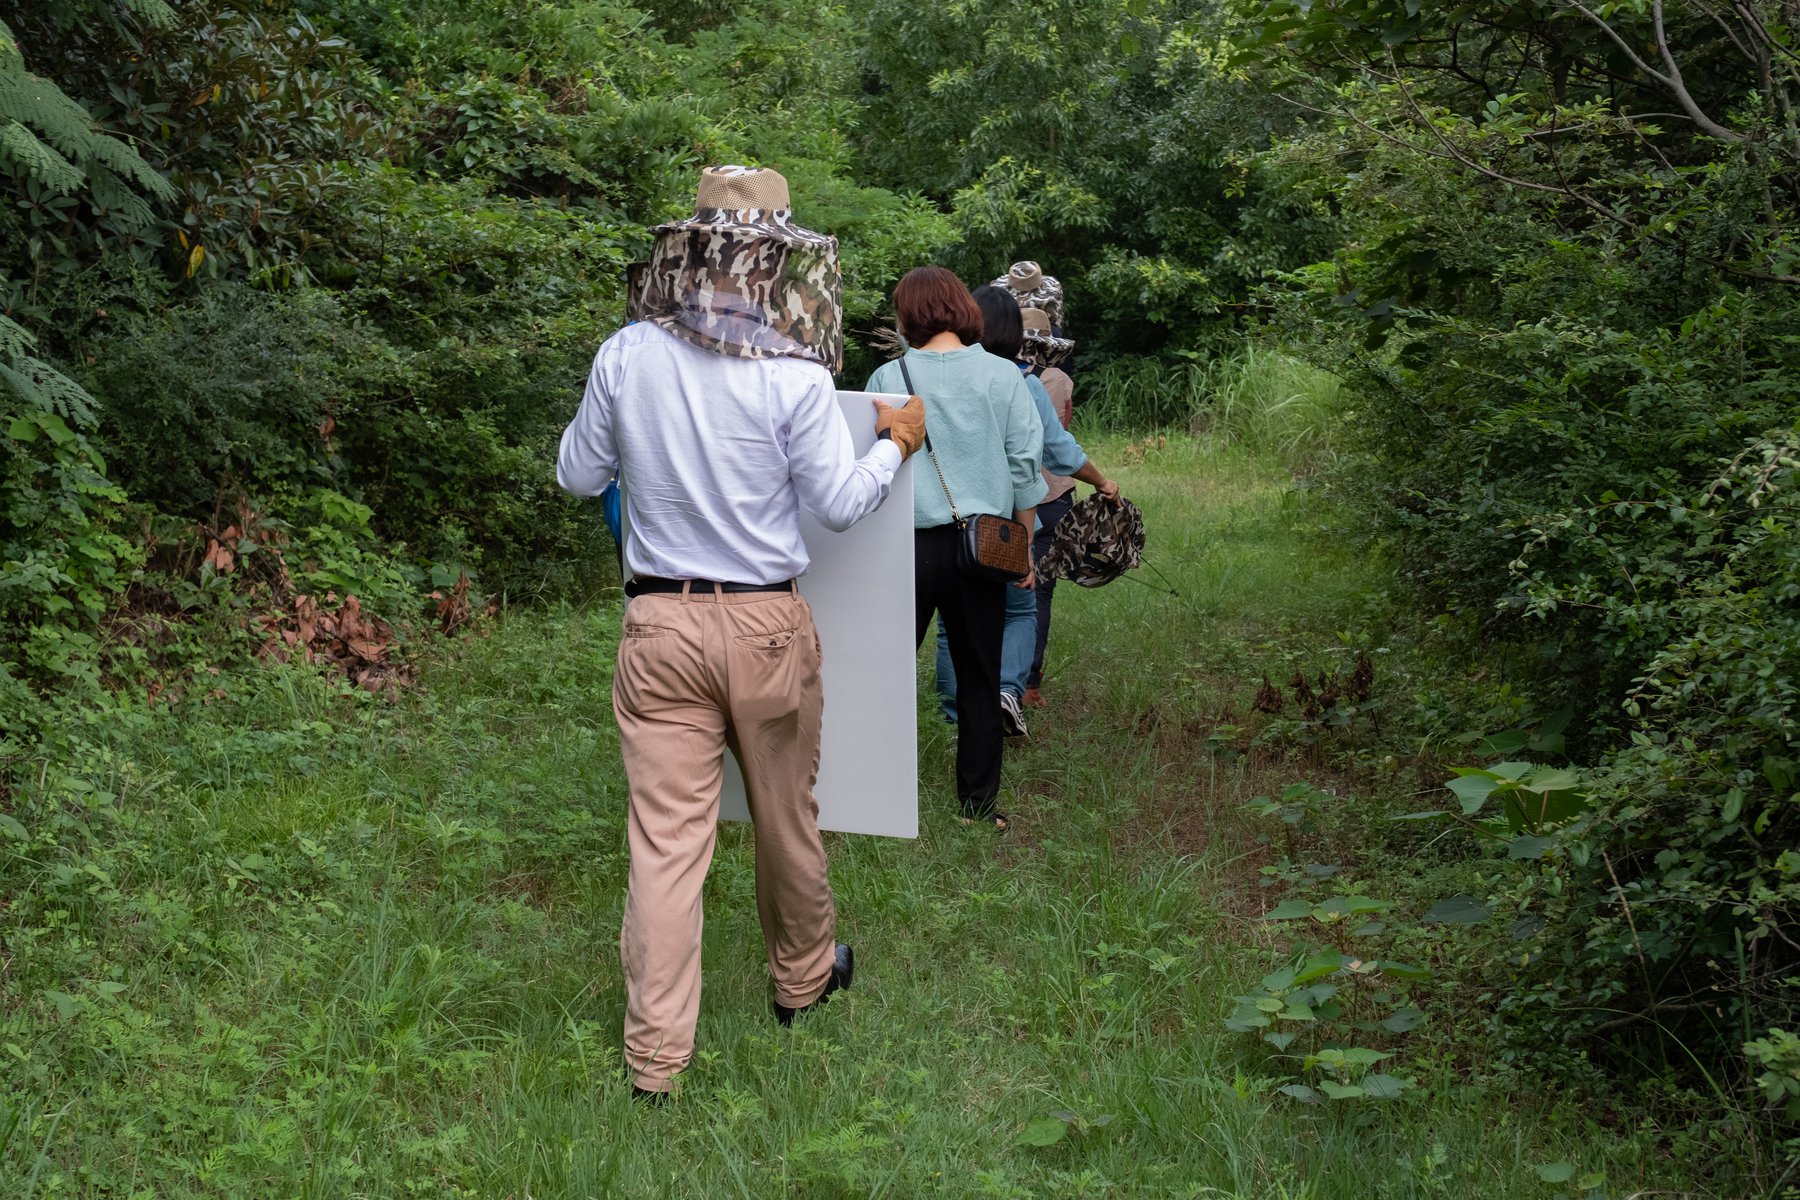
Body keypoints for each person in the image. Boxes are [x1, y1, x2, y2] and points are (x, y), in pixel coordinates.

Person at [556, 165, 927, 1099]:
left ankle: (654, 1064)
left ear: (688, 246)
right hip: (765, 622)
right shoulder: (797, 373)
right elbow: (840, 506)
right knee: (784, 815)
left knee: (666, 844)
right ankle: (802, 985)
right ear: (777, 256)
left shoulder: (627, 352)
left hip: (659, 624)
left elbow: (575, 473)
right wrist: (893, 443)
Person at [865, 266, 1044, 830]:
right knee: (979, 679)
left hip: (902, 549)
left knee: (884, 674)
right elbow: (1023, 466)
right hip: (982, 548)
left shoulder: (886, 376)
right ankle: (977, 808)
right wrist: (1025, 543)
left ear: (908, 314)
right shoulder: (1002, 375)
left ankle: (873, 801)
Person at [935, 288, 1119, 731]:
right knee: (1020, 607)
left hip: (950, 517)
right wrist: (1102, 482)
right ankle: (1004, 692)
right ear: (1017, 334)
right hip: (1008, 519)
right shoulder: (1024, 383)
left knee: (950, 623)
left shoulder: (942, 375)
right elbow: (1057, 451)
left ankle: (956, 713)